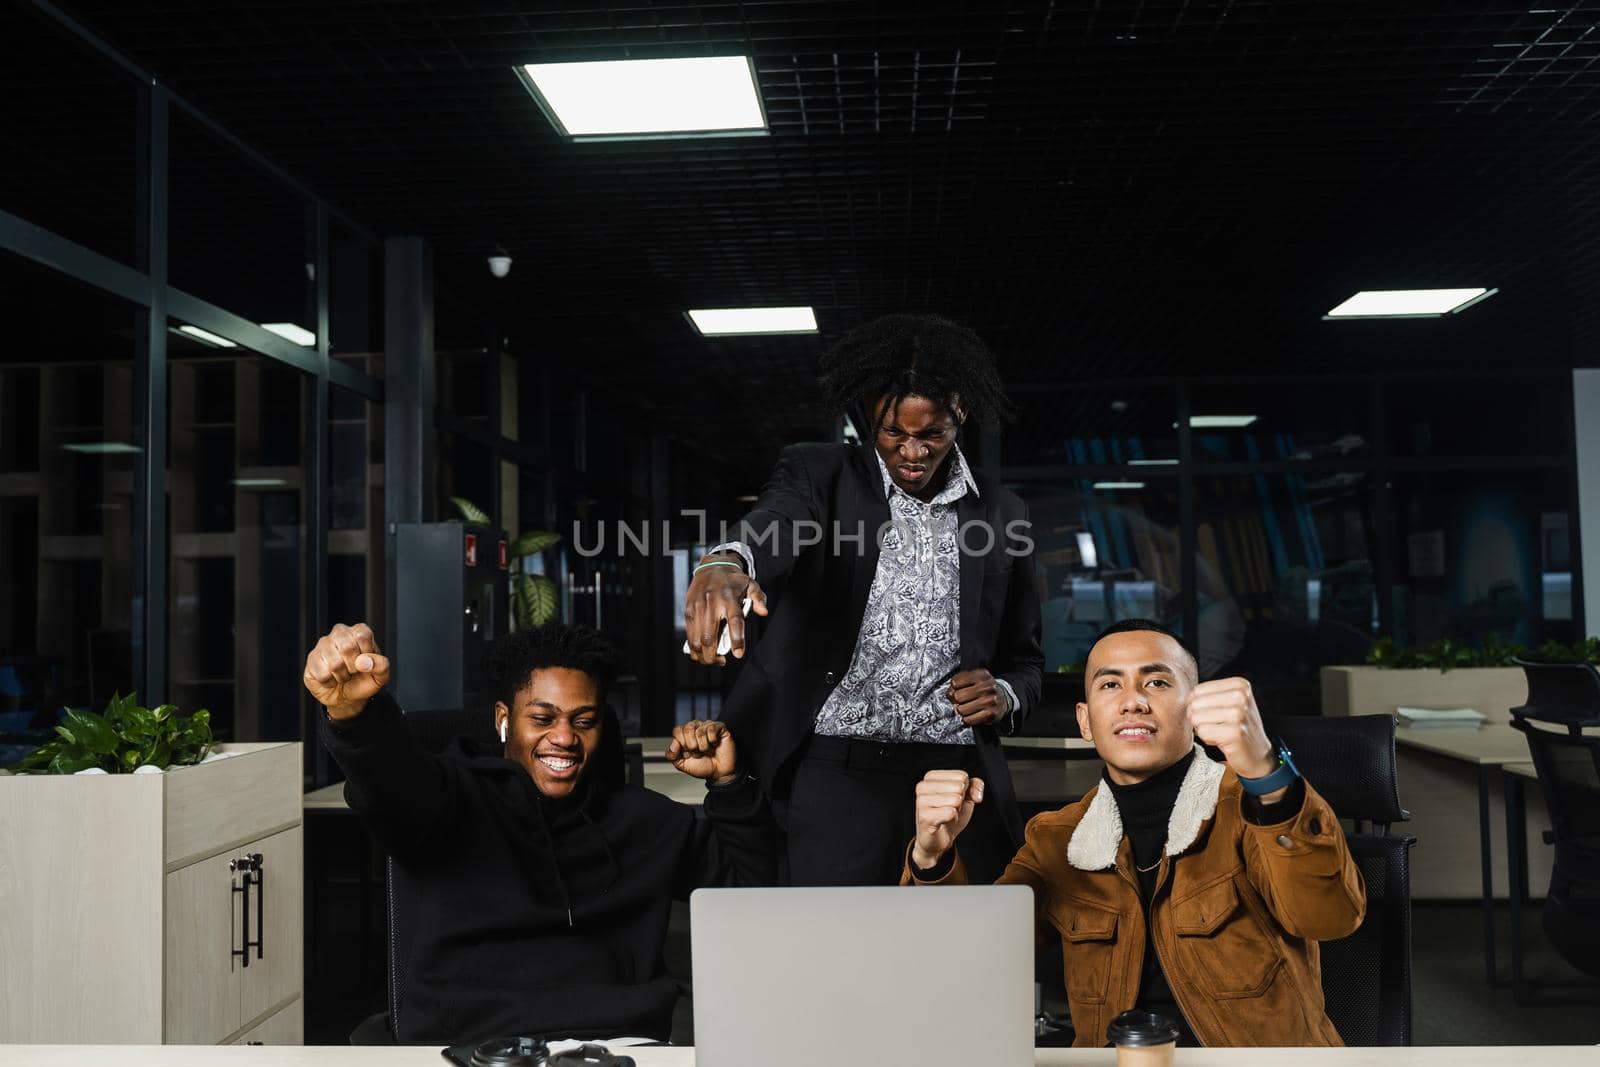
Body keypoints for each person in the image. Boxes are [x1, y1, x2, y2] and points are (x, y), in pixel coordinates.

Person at [682, 312, 1043, 885]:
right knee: (835, 948)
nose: (912, 452)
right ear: (870, 416)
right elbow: (777, 522)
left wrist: (1003, 693)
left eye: (932, 434)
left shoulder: (1004, 515)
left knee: (952, 953)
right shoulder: (822, 475)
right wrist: (730, 561)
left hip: (953, 777)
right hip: (836, 774)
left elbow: (1026, 661)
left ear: (960, 417)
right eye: (893, 432)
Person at [303, 621, 776, 1045]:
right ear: (502, 719)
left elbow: (750, 891)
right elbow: (392, 782)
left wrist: (728, 783)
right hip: (472, 1049)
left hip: (614, 1048)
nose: (565, 738)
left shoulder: (646, 822)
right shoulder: (449, 801)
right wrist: (354, 717)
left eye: (583, 721)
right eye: (543, 718)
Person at [904, 619, 1365, 1047]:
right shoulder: (1055, 838)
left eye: (1157, 682)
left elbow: (1330, 917)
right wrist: (932, 856)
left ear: (1197, 708)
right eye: (1110, 684)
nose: (1133, 701)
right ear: (1085, 721)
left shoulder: (1255, 806)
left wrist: (1265, 773)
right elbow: (972, 964)